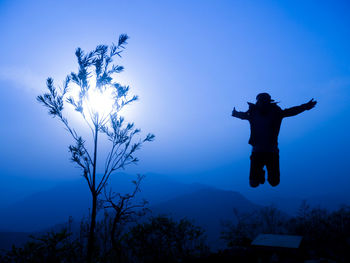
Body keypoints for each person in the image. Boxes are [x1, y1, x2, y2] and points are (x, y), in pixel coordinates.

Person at [232, 93, 317, 187]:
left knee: (274, 182)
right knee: (254, 183)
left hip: (272, 152)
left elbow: (291, 111)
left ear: (268, 102)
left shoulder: (275, 113)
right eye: (260, 101)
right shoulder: (253, 113)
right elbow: (244, 115)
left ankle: (261, 174)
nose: (262, 103)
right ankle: (260, 174)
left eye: (264, 101)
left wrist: (305, 107)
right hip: (257, 152)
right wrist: (235, 113)